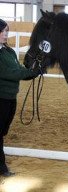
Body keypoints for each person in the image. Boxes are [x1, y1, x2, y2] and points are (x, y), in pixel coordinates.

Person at [0, 19, 41, 177]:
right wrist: (34, 72)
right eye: (3, 31)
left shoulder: (9, 52)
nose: (6, 34)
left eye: (7, 31)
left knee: (2, 132)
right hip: (1, 99)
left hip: (10, 98)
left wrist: (34, 68)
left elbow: (19, 69)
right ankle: (2, 167)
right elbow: (13, 73)